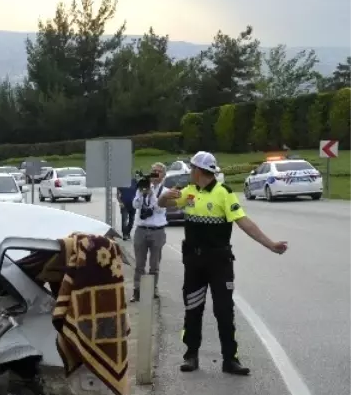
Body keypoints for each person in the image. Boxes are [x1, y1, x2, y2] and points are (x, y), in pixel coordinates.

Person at [159, 151, 288, 375]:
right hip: (194, 262)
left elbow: (244, 223)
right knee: (193, 308)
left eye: (192, 169)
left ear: (199, 171)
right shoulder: (188, 192)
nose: (190, 172)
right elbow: (162, 204)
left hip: (219, 262)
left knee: (224, 311)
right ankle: (191, 355)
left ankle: (230, 359)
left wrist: (270, 244)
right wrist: (164, 196)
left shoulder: (224, 193)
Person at [131, 163, 168, 302]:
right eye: (153, 171)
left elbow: (159, 209)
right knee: (139, 264)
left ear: (163, 175)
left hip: (157, 230)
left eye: (159, 172)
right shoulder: (143, 186)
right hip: (141, 229)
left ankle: (153, 289)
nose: (155, 174)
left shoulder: (165, 191)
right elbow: (135, 205)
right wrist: (142, 193)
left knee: (155, 264)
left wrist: (152, 195)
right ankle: (137, 290)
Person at [117, 173, 138, 239]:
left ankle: (128, 232)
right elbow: (117, 194)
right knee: (124, 220)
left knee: (132, 220)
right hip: (124, 204)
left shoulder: (135, 181)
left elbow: (139, 192)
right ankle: (124, 234)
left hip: (133, 204)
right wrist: (120, 202)